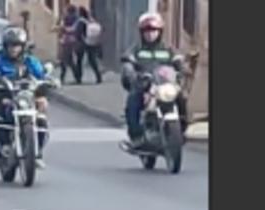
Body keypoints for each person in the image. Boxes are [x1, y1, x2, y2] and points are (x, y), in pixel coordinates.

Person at [0, 26, 50, 167]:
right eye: (10, 45)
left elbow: (41, 74)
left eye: (17, 46)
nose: (14, 49)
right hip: (6, 95)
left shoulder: (30, 61)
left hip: (27, 96)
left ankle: (37, 153)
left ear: (23, 47)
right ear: (5, 46)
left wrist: (48, 79)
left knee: (42, 113)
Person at [120, 12, 189, 148]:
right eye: (147, 31)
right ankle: (136, 136)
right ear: (141, 32)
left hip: (164, 84)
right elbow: (127, 62)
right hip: (144, 85)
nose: (150, 34)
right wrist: (131, 73)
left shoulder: (168, 49)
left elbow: (178, 60)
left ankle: (182, 127)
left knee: (180, 96)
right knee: (133, 100)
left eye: (154, 31)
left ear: (160, 32)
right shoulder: (136, 49)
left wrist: (182, 69)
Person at [76, 7, 103, 84]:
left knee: (79, 61)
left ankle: (79, 78)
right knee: (92, 60)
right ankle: (98, 76)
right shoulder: (89, 21)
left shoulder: (81, 21)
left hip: (83, 43)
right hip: (91, 42)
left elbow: (79, 33)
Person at [56, 4, 81, 84]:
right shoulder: (77, 18)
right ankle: (77, 77)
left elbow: (62, 27)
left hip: (66, 41)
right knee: (70, 61)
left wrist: (62, 31)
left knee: (64, 60)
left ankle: (62, 78)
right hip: (72, 41)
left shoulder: (66, 18)